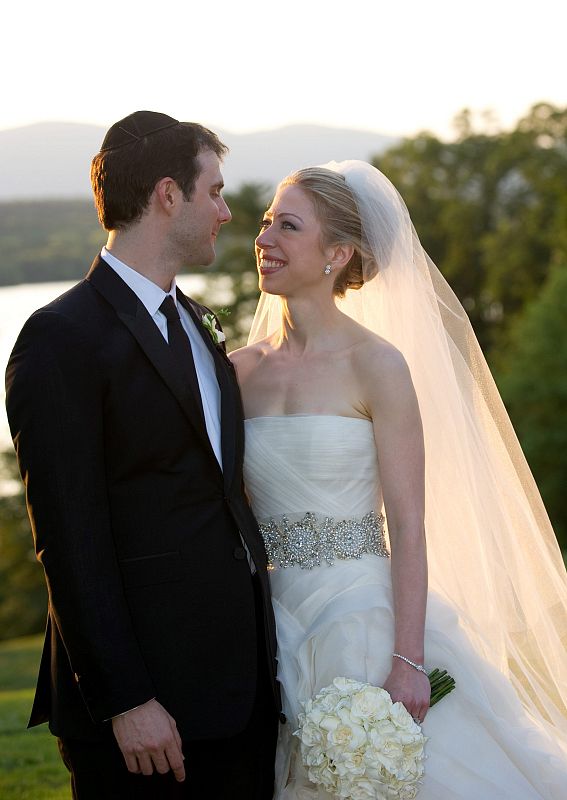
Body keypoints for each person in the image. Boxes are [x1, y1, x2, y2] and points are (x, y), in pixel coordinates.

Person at [230, 160, 567, 798]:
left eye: (288, 226)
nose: (264, 238)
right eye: (268, 221)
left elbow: (409, 526)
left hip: (362, 617)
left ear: (337, 253)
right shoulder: (237, 372)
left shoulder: (377, 365)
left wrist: (408, 661)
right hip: (267, 625)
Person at [5, 110, 280, 800]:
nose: (224, 211)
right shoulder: (60, 337)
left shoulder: (192, 322)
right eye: (213, 191)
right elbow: (67, 539)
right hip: (145, 714)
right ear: (167, 194)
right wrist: (125, 700)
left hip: (238, 694)